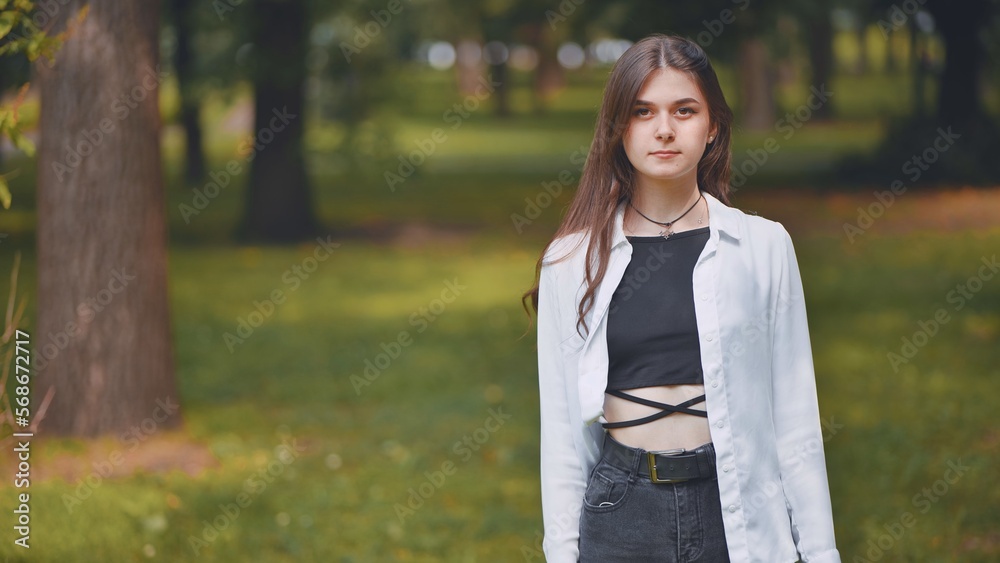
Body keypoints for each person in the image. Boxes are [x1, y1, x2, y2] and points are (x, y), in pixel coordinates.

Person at [522, 34, 841, 562]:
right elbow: (560, 433)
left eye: (684, 110)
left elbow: (795, 414)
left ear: (712, 124)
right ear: (618, 127)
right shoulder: (572, 260)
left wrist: (821, 551)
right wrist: (562, 553)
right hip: (620, 510)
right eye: (643, 111)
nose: (664, 129)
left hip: (733, 505)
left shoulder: (764, 246)